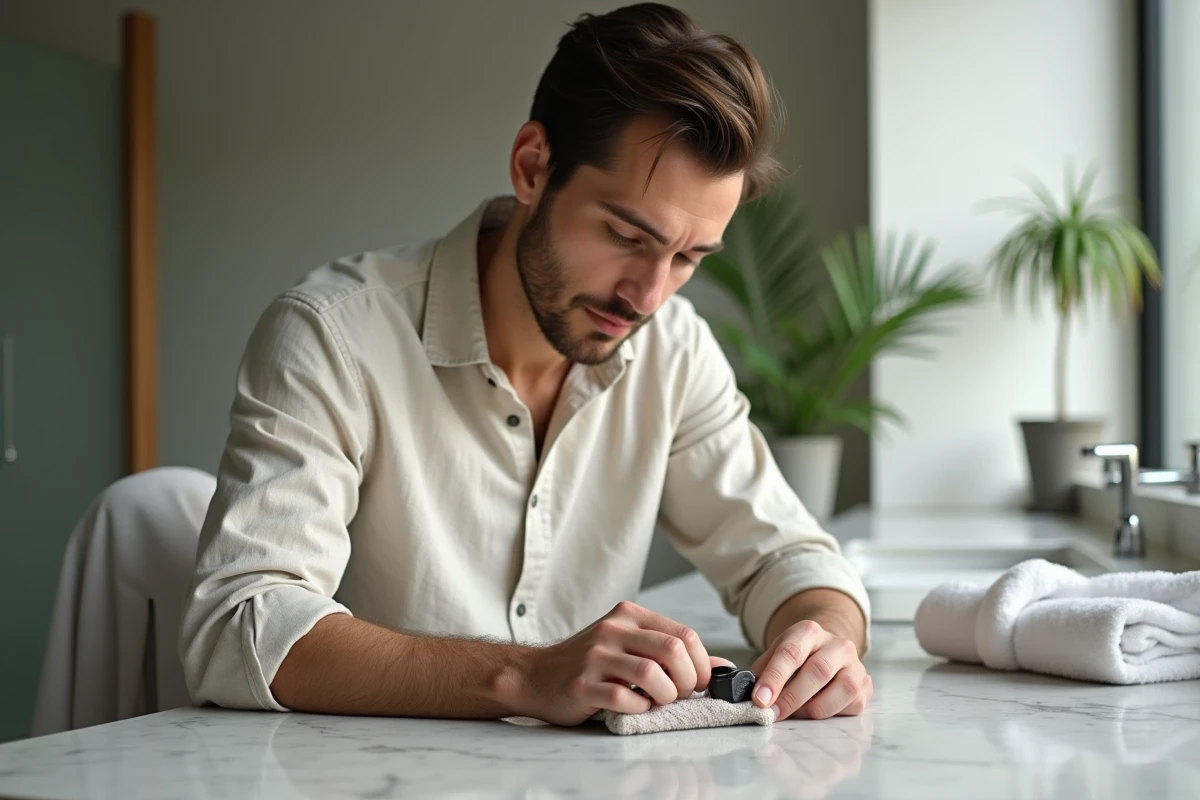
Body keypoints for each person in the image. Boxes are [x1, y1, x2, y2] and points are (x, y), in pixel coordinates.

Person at [178, 2, 873, 727]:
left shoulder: (673, 349)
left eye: (687, 258)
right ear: (533, 166)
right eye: (626, 235)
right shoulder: (334, 336)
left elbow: (787, 558)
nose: (647, 296)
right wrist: (524, 676)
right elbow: (238, 624)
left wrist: (823, 639)